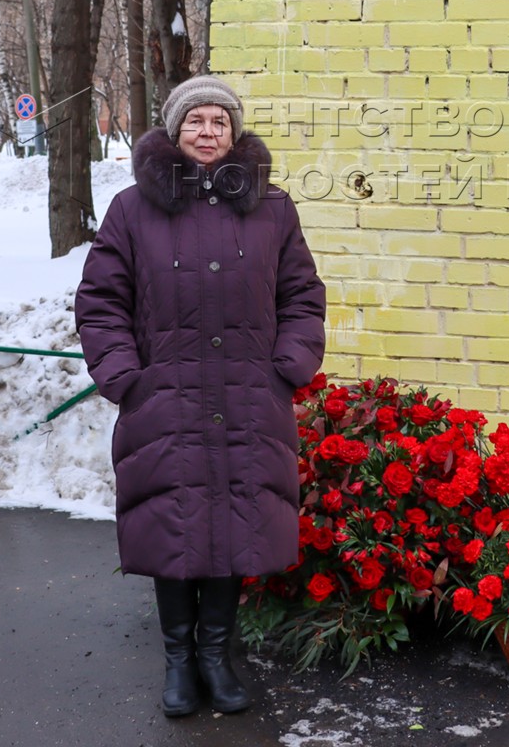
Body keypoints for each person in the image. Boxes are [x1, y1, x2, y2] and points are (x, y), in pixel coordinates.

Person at [75, 76, 326, 718]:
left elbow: (301, 296)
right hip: (165, 396)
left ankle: (217, 653)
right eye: (196, 121)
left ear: (235, 133)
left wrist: (289, 366)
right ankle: (179, 660)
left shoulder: (273, 209)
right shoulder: (133, 209)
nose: (208, 131)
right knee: (173, 522)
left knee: (234, 523)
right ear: (174, 130)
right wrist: (125, 376)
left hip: (248, 396)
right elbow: (101, 301)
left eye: (219, 121)